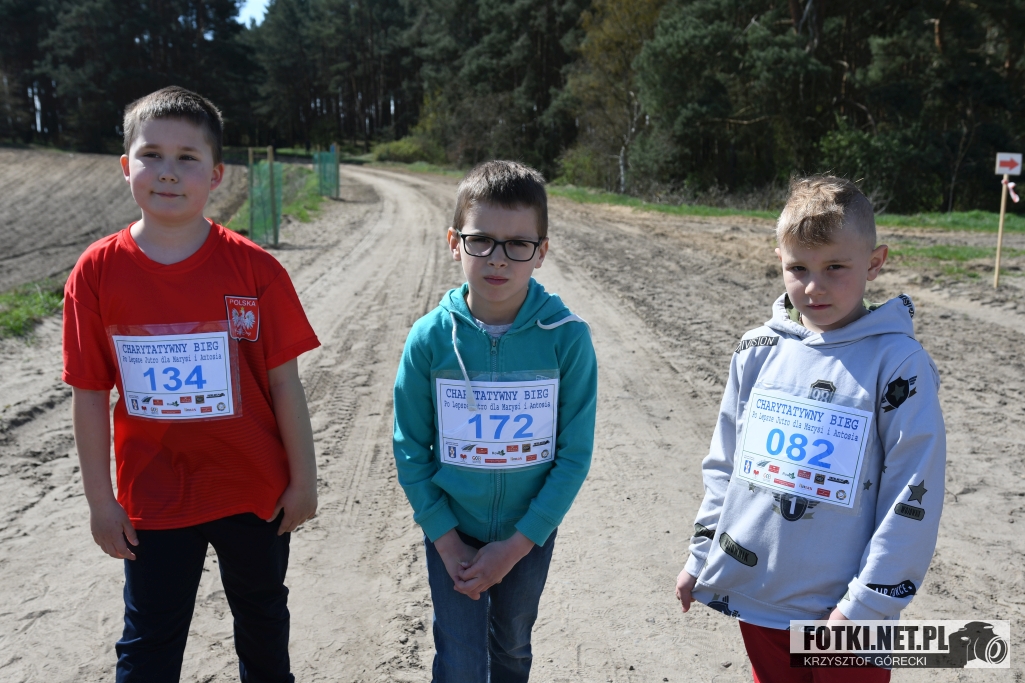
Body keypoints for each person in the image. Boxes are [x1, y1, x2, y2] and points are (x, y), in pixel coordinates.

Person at [62, 86, 320, 683]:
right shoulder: (96, 273)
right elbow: (89, 392)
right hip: (154, 496)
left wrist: (304, 480)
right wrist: (101, 501)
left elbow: (285, 385)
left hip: (252, 487)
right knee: (149, 637)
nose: (168, 172)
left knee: (262, 620)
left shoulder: (255, 269)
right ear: (126, 166)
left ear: (217, 174)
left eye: (187, 157)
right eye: (151, 155)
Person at [674, 176, 946, 683]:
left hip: (847, 612)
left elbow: (912, 493)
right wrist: (702, 552)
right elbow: (726, 464)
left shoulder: (899, 365)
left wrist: (866, 605)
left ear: (875, 262)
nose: (814, 287)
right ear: (779, 259)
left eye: (835, 267)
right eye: (798, 268)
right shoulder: (757, 351)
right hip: (760, 598)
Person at [392, 160, 598, 682]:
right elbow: (410, 448)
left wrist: (518, 544)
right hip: (452, 529)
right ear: (454, 243)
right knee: (459, 659)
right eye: (481, 240)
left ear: (541, 251)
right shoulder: (429, 339)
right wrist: (445, 540)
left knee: (511, 649)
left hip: (528, 533)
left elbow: (573, 456)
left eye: (518, 244)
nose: (498, 258)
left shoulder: (567, 338)